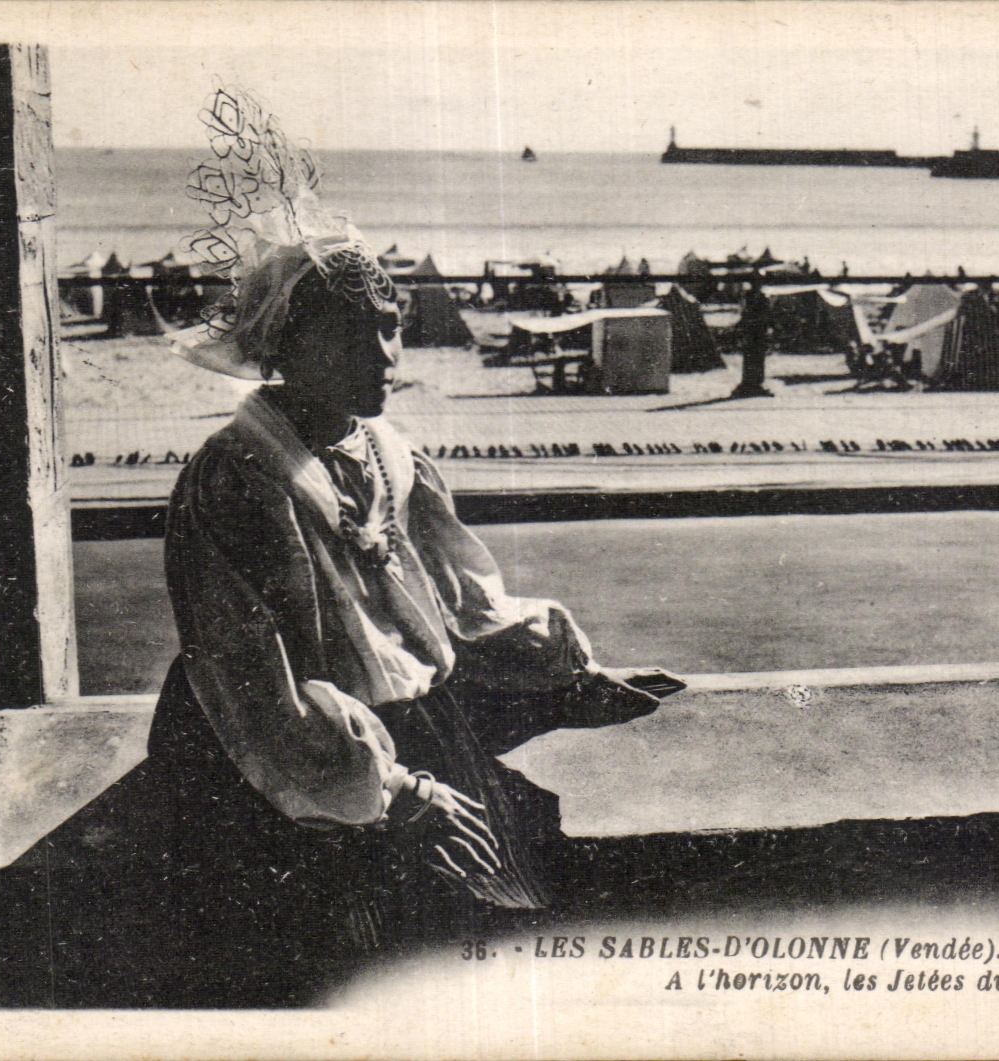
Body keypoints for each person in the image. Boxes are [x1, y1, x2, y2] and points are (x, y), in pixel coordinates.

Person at [146, 88, 678, 1000]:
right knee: (357, 938)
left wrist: (560, 665)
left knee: (507, 891)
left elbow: (461, 602)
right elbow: (250, 676)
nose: (386, 353)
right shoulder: (234, 476)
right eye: (355, 333)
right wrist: (389, 793)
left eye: (390, 326)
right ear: (286, 343)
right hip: (273, 750)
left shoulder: (389, 450)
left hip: (399, 719)